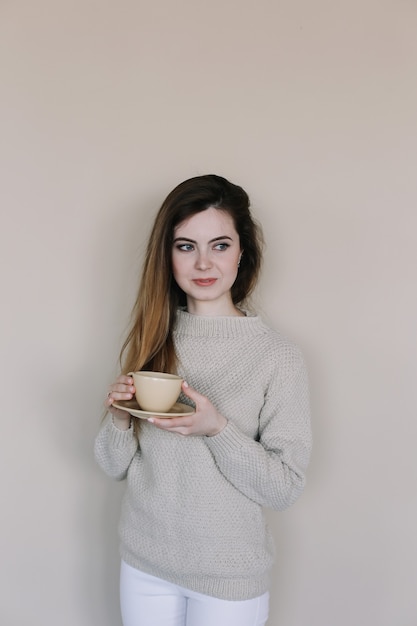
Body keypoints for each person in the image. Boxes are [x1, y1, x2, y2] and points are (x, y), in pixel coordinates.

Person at [94, 174, 312, 626]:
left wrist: (217, 429)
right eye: (186, 246)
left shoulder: (278, 358)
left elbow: (285, 487)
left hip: (229, 579)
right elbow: (113, 467)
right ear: (167, 256)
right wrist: (117, 418)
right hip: (143, 565)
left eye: (220, 244)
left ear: (242, 252)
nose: (203, 263)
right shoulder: (153, 340)